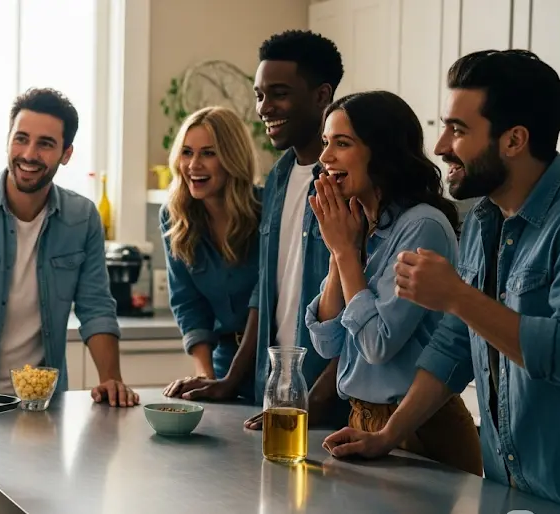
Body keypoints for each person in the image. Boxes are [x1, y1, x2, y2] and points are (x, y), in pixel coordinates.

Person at [323, 49, 560, 502]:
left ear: (513, 140)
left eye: (459, 130)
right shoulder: (483, 222)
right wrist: (389, 435)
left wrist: (455, 296)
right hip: (505, 487)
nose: (440, 146)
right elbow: (454, 347)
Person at [0, 87, 139, 514]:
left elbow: (96, 305)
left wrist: (111, 377)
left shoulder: (82, 218)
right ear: (8, 140)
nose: (29, 153)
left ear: (66, 153)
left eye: (46, 143)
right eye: (21, 138)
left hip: (42, 412)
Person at [163, 30, 350, 430]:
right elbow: (265, 293)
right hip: (272, 391)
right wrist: (231, 378)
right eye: (260, 95)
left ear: (322, 96)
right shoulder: (281, 177)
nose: (265, 108)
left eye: (278, 93)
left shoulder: (345, 183)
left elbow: (360, 308)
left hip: (329, 401)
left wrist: (315, 398)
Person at [303, 90, 482, 475]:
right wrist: (341, 253)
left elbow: (376, 344)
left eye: (342, 143)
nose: (324, 157)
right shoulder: (359, 225)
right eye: (325, 142)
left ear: (380, 151)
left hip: (422, 430)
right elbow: (327, 342)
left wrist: (347, 255)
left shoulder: (421, 225)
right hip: (362, 420)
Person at [158, 106, 261, 399]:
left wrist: (228, 380)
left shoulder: (268, 212)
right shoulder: (174, 217)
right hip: (223, 357)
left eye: (208, 153)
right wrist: (206, 376)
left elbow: (267, 299)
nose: (193, 165)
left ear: (232, 158)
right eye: (187, 152)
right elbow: (187, 302)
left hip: (270, 360)